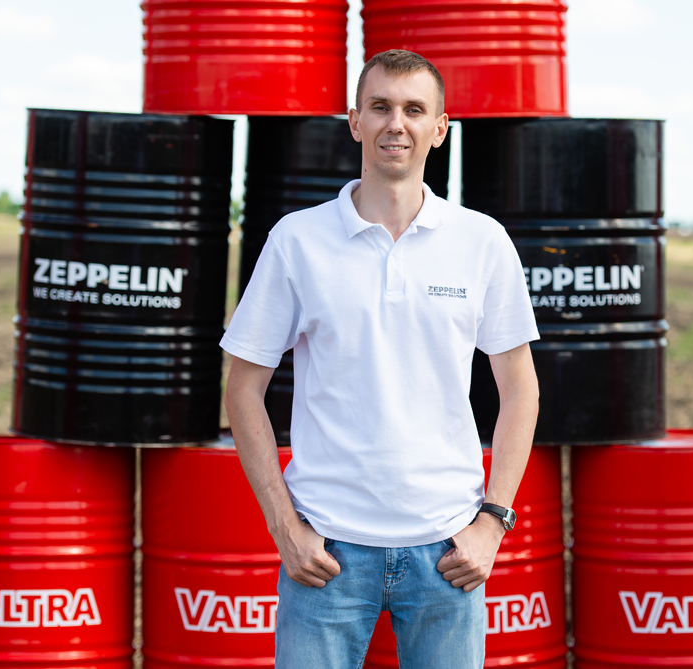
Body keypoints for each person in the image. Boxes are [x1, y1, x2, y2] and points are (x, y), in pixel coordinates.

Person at [222, 49, 540, 668]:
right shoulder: (296, 240)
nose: (397, 123)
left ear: (440, 128)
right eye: (380, 107)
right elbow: (242, 389)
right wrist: (284, 526)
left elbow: (520, 388)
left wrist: (492, 522)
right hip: (326, 552)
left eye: (415, 110)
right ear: (355, 122)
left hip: (448, 553)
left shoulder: (482, 241)